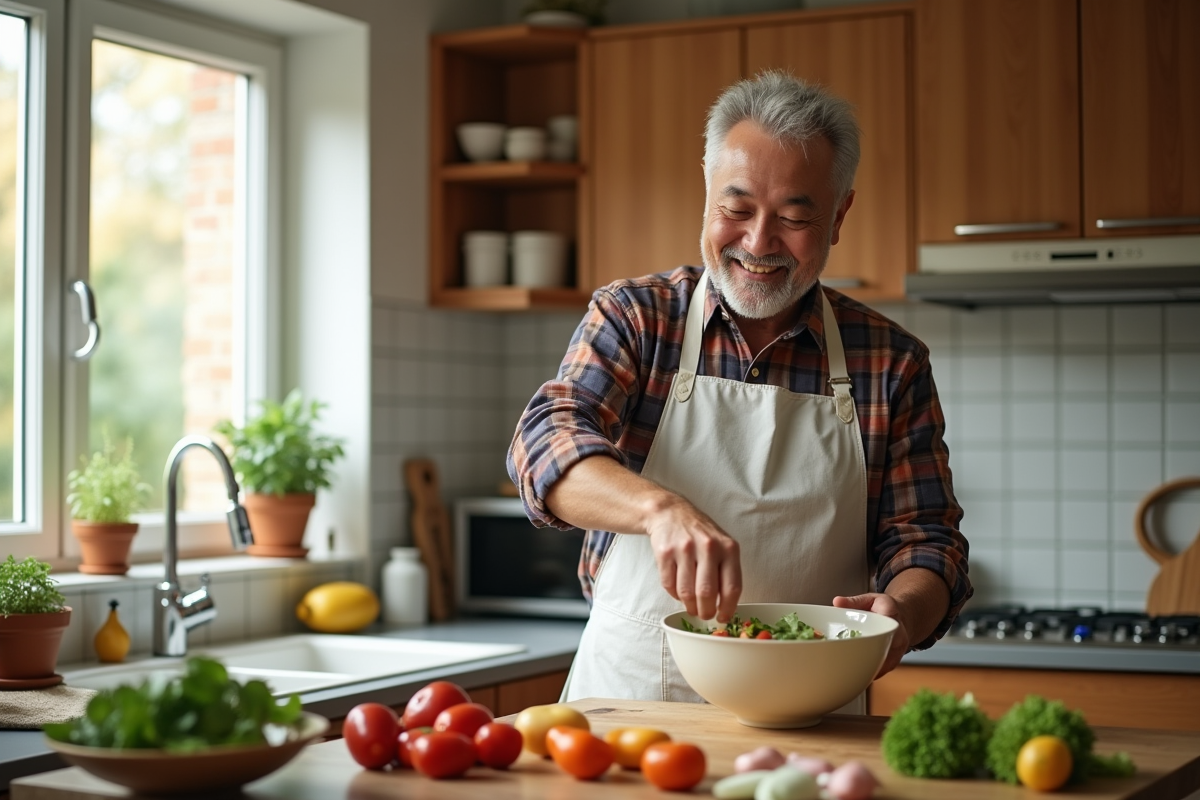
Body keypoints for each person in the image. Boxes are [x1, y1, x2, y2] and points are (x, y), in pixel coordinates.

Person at [507, 70, 971, 706]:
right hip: (636, 705)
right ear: (705, 198)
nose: (758, 242)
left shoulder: (891, 363)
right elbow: (545, 442)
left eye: (793, 217)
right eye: (736, 209)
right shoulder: (639, 319)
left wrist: (905, 615)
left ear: (839, 216)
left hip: (815, 711)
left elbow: (926, 539)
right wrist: (659, 510)